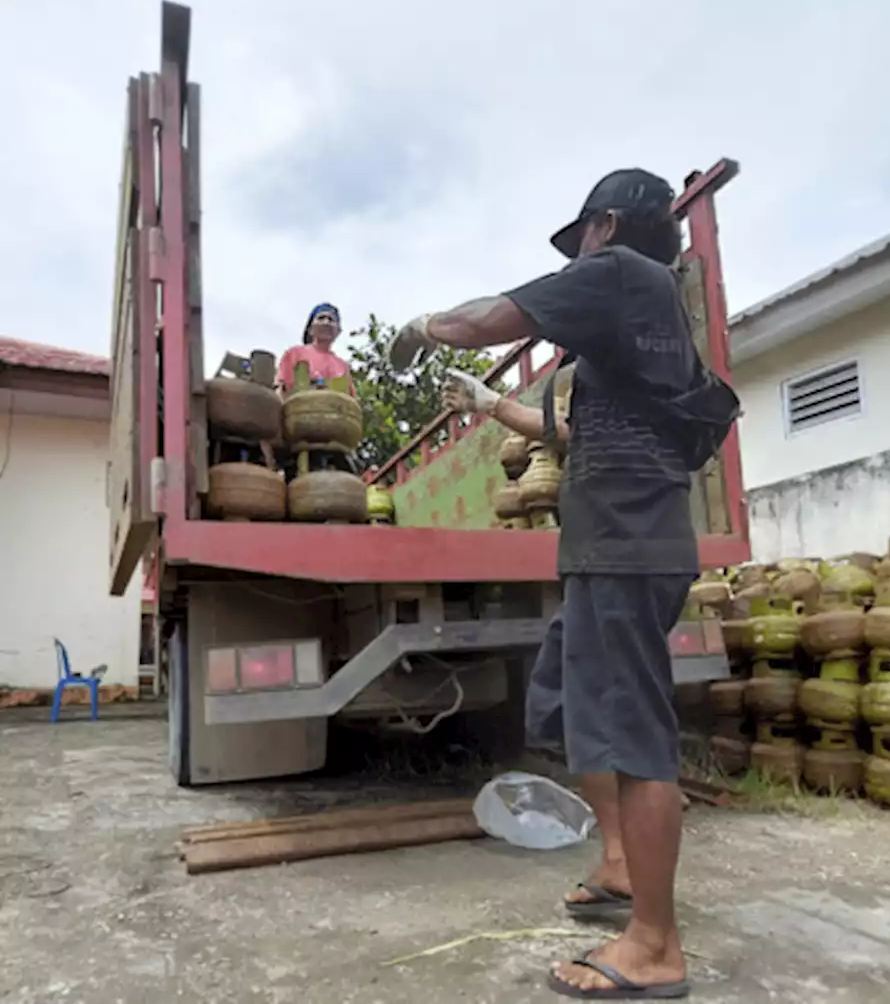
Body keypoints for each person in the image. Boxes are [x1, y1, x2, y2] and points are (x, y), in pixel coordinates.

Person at [389, 168, 738, 1000]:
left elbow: (491, 316)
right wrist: (488, 403)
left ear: (605, 226)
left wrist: (425, 327)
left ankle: (655, 944)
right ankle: (620, 866)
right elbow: (581, 432)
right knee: (572, 703)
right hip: (609, 549)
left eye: (580, 234)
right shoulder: (648, 316)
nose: (577, 250)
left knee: (634, 731)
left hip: (626, 549)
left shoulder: (618, 275)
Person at [276, 302, 356, 396]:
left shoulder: (343, 367)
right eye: (321, 318)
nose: (326, 322)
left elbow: (350, 402)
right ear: (310, 329)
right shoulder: (295, 354)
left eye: (331, 319)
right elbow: (280, 389)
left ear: (338, 332)